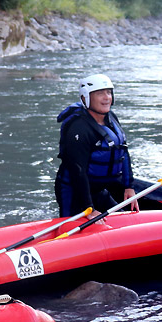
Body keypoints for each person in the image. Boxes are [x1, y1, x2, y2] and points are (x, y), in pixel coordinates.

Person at [55, 74, 137, 217]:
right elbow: (78, 172)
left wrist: (128, 186)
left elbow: (123, 151)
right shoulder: (78, 128)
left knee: (124, 219)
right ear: (85, 97)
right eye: (100, 93)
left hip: (99, 190)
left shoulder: (111, 118)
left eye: (109, 92)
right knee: (72, 226)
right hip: (74, 192)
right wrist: (88, 208)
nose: (107, 97)